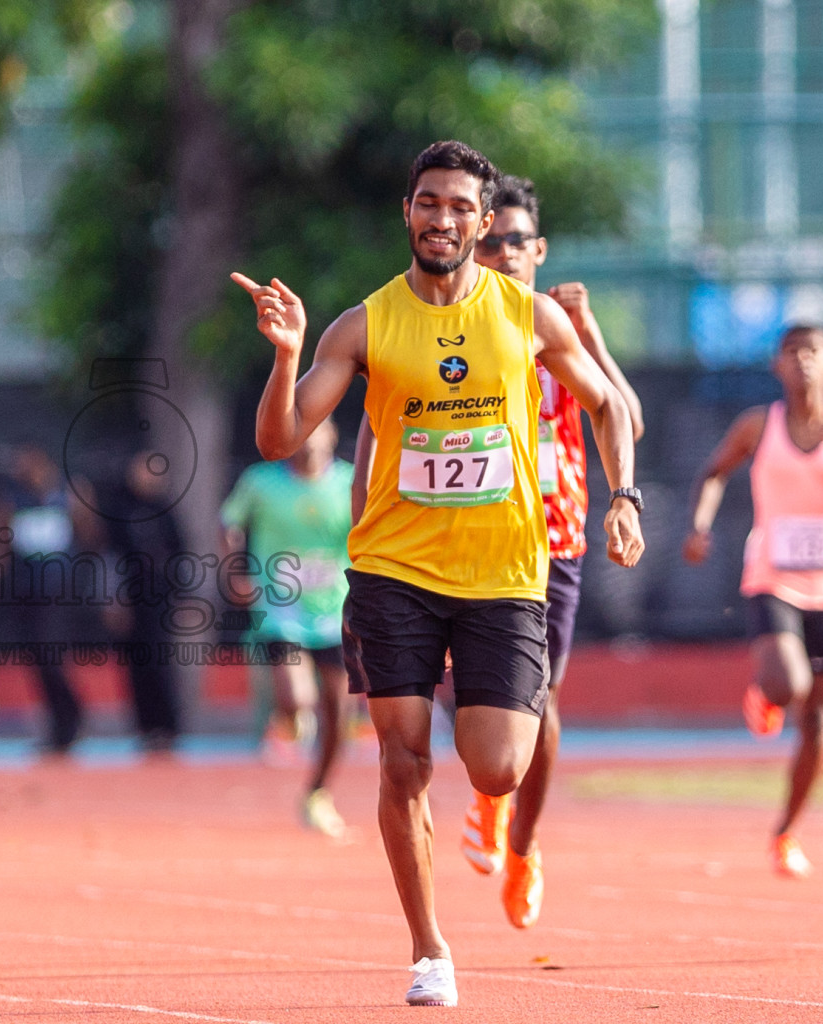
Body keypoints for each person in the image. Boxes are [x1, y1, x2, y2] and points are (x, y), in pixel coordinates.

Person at [233, 139, 643, 1008]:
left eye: (461, 207)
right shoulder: (366, 324)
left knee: (495, 767)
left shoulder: (528, 318)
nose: (443, 219)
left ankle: (486, 761)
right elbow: (277, 440)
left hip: (502, 574)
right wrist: (285, 353)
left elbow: (607, 405)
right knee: (401, 760)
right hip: (394, 569)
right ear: (407, 213)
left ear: (484, 222)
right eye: (429, 203)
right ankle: (428, 949)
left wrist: (625, 496)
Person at [358, 175, 646, 927]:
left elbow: (626, 418)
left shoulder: (547, 328)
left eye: (516, 242)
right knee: (449, 707)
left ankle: (519, 839)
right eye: (492, 243)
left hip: (552, 544)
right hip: (441, 550)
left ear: (538, 250)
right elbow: (381, 427)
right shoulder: (444, 328)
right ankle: (488, 812)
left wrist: (597, 341)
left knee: (537, 706)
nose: (503, 253)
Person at [683, 323, 823, 878]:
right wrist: (701, 526)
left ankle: (786, 831)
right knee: (789, 684)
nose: (803, 361)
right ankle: (768, 692)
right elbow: (713, 473)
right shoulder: (759, 425)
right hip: (772, 577)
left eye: (814, 351)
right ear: (777, 365)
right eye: (792, 352)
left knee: (821, 719)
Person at [221, 418, 355, 839]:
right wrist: (233, 570)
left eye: (319, 430)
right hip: (280, 607)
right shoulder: (260, 482)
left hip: (336, 609)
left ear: (332, 436)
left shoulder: (351, 482)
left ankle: (317, 794)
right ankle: (293, 715)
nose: (311, 439)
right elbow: (230, 525)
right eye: (302, 431)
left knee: (339, 714)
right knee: (298, 696)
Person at [0, 444, 98, 754]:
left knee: (52, 656)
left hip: (60, 590)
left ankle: (72, 715)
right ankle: (59, 725)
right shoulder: (11, 498)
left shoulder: (68, 491)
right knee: (38, 658)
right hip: (26, 590)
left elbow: (90, 536)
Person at [106, 450, 186, 752]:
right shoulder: (120, 511)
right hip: (131, 599)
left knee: (162, 663)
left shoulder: (165, 511)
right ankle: (145, 726)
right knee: (136, 665)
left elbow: (181, 554)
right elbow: (111, 557)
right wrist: (113, 599)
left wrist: (182, 595)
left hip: (161, 600)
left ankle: (169, 726)